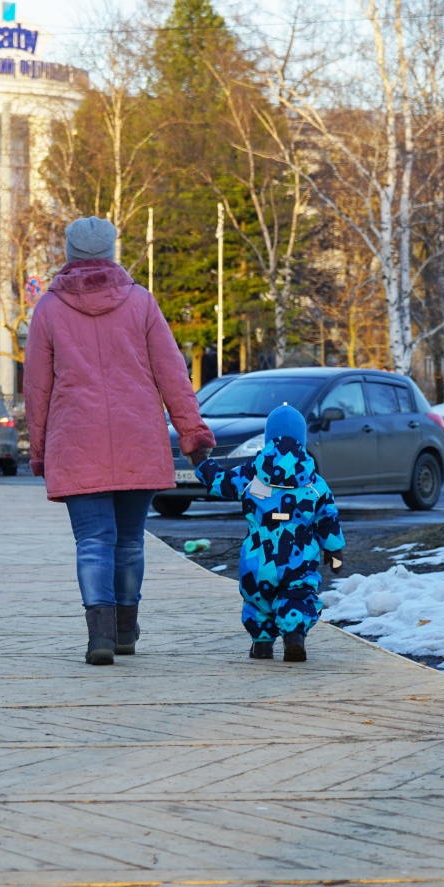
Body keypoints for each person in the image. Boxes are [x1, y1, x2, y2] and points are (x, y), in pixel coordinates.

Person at [24, 216, 216, 666]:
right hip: (138, 439)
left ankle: (100, 638)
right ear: (112, 253)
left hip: (76, 442)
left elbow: (37, 388)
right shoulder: (142, 303)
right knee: (129, 541)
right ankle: (126, 631)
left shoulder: (49, 310)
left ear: (70, 255)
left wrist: (39, 451)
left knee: (93, 541)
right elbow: (174, 375)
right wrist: (192, 434)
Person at [195, 404, 344, 663]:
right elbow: (326, 517)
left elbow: (220, 482)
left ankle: (262, 643)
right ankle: (294, 634)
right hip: (299, 555)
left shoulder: (251, 473)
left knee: (257, 597)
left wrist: (201, 461)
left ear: (268, 437)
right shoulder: (313, 480)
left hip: (258, 554)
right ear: (302, 439)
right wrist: (334, 549)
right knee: (297, 593)